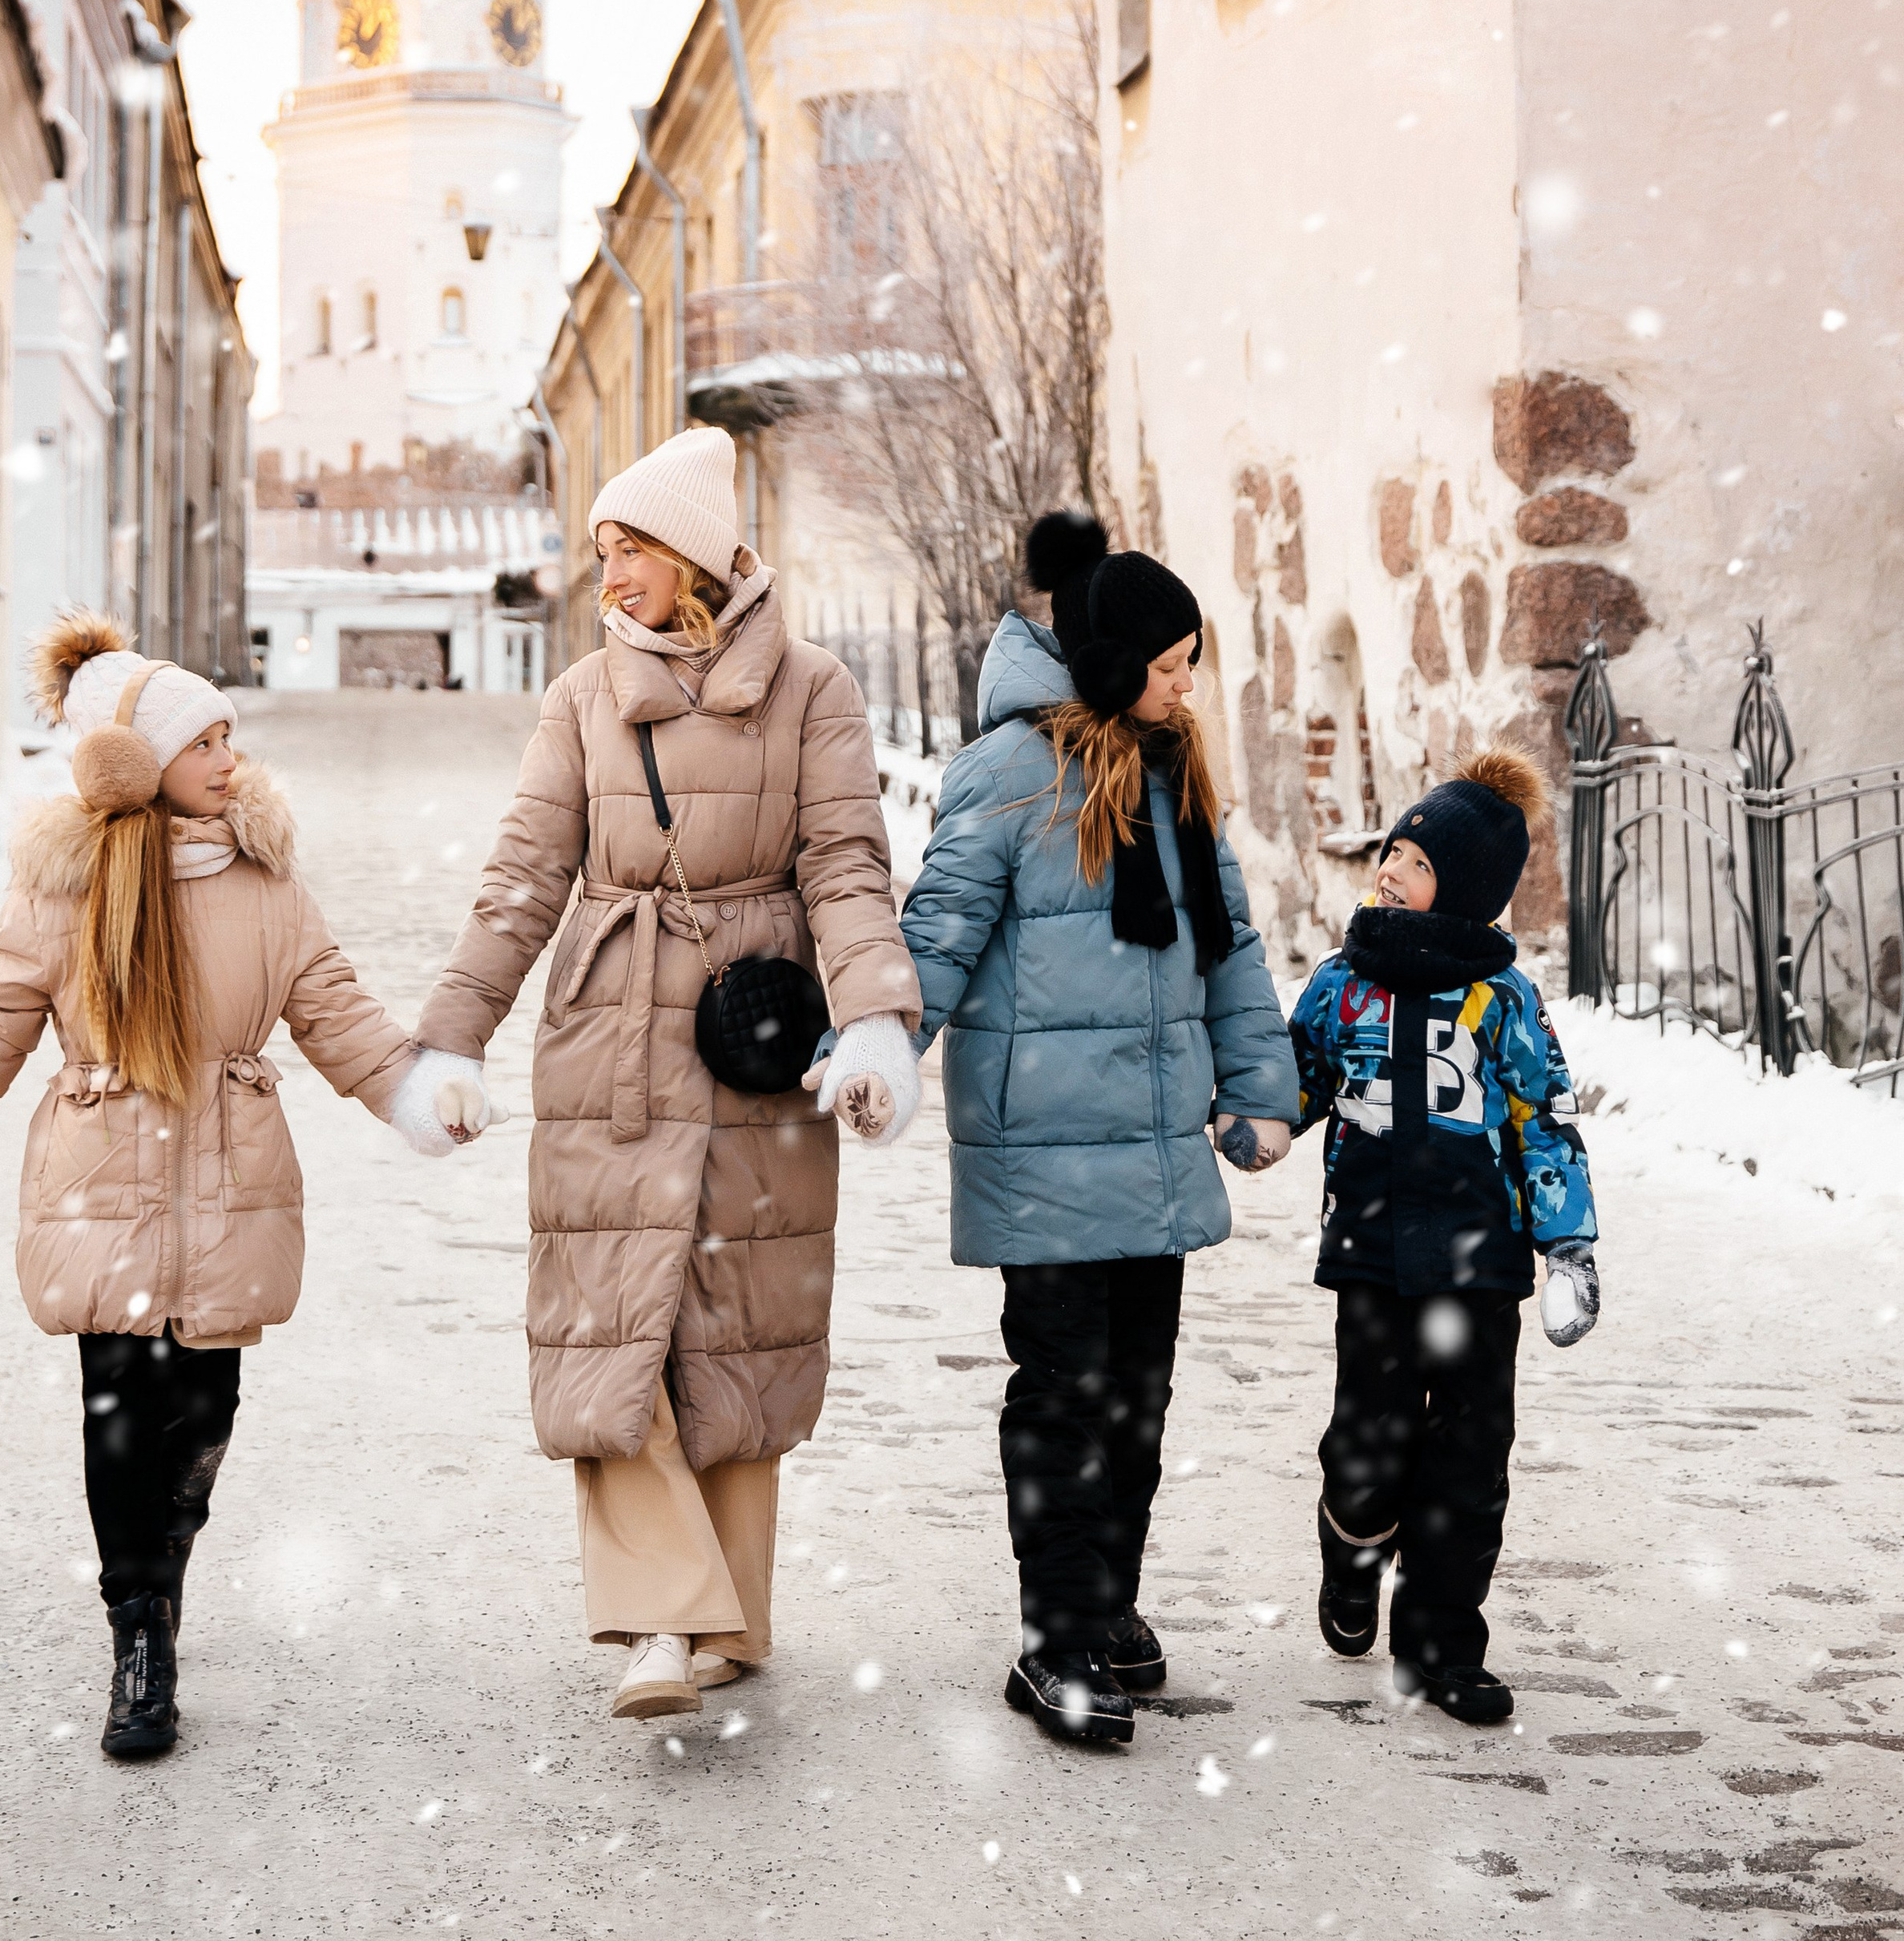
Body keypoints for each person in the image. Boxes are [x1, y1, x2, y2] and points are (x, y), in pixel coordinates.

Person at [0, 615, 477, 1761]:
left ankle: (167, 1552)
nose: (228, 759)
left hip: (232, 1183)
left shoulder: (267, 882)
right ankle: (139, 1630)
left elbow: (334, 1009)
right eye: (205, 743)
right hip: (101, 1185)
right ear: (138, 766)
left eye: (230, 737)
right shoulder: (62, 890)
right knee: (121, 1412)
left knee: (209, 1413)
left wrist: (413, 1095)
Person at [409, 424, 924, 1724]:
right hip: (612, 1038)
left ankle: (728, 1621)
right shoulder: (583, 696)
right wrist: (452, 1034)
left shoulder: (816, 689)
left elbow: (849, 870)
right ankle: (659, 1618)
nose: (610, 574)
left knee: (738, 1325)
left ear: (693, 551)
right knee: (610, 1316)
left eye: (629, 546)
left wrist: (873, 1020)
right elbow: (525, 878)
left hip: (759, 1038)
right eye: (599, 551)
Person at [898, 511, 1297, 1749]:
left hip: (1159, 1145)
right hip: (1045, 1154)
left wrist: (1263, 1087)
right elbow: (937, 943)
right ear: (1115, 663)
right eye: (1171, 666)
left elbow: (1229, 957)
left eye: (1189, 665)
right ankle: (1054, 1640)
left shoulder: (1179, 781)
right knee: (1067, 1396)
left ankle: (1107, 1602)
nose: (1185, 688)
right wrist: (864, 1052)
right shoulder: (1005, 776)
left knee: (1140, 1397)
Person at [1289, 751, 1600, 1725]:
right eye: (1394, 849)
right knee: (1367, 1444)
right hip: (1372, 1254)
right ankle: (1351, 1548)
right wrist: (1251, 1123)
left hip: (1479, 1261)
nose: (1392, 867)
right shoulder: (1342, 983)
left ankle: (1439, 1644)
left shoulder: (1503, 1001)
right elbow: (1294, 1081)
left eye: (1418, 862)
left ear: (1462, 889)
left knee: (1471, 1453)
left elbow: (1544, 1122)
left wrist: (1569, 1247)